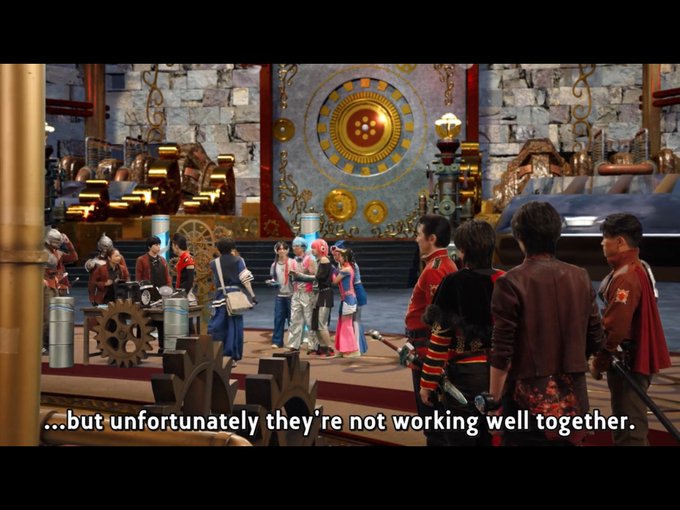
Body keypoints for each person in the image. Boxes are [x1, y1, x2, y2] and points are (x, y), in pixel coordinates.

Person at [489, 201, 603, 446]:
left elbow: (502, 352)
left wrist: (493, 401)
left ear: (519, 237)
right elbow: (596, 337)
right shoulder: (580, 276)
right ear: (556, 234)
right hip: (573, 398)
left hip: (527, 400)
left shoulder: (510, 282)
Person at [419, 220, 504, 446]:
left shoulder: (453, 282)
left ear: (463, 250)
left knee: (461, 437)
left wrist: (427, 382)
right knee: (491, 437)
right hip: (501, 372)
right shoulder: (505, 280)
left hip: (465, 373)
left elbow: (440, 338)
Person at [589, 213, 671, 446]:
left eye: (605, 237)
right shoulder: (638, 267)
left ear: (620, 241)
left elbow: (616, 328)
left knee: (629, 430)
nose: (602, 243)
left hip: (629, 363)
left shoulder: (626, 277)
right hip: (633, 358)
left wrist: (599, 362)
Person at [404, 214, 457, 446]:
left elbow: (439, 322)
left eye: (419, 234)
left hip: (428, 352)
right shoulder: (440, 264)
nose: (416, 239)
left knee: (433, 423)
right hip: (423, 347)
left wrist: (433, 366)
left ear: (432, 238)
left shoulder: (436, 269)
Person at [208, 238, 256, 366]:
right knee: (234, 327)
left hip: (220, 296)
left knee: (218, 326)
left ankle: (217, 354)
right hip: (235, 298)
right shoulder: (239, 260)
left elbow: (215, 280)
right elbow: (245, 280)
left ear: (218, 249)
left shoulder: (214, 263)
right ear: (232, 248)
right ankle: (232, 357)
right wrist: (252, 295)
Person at [43, 228, 78, 352]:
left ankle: (51, 343)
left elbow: (73, 257)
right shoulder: (43, 252)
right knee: (47, 317)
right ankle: (44, 344)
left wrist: (68, 243)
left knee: (56, 316)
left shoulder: (57, 253)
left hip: (56, 286)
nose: (57, 245)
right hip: (46, 286)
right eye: (55, 242)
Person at [331, 240, 368, 354]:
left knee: (356, 321)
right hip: (348, 295)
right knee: (350, 321)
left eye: (338, 254)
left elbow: (339, 279)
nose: (336, 257)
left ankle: (357, 348)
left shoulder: (350, 265)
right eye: (334, 255)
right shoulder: (341, 265)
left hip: (356, 291)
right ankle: (350, 348)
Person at [136, 235, 171, 352]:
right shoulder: (141, 260)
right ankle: (141, 346)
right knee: (142, 321)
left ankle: (162, 346)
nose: (158, 247)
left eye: (159, 244)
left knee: (161, 321)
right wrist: (143, 295)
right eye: (156, 245)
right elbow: (138, 279)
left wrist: (168, 291)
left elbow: (167, 278)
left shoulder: (163, 260)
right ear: (149, 246)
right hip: (146, 296)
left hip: (160, 296)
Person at [285, 237, 316, 351]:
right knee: (294, 319)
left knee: (310, 319)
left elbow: (315, 277)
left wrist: (302, 275)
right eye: (293, 246)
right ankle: (293, 344)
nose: (294, 248)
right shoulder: (292, 261)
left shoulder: (310, 260)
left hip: (307, 293)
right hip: (296, 292)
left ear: (303, 247)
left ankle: (313, 345)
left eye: (296, 246)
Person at [332, 246, 359, 357]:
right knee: (341, 323)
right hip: (346, 299)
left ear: (346, 257)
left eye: (341, 256)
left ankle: (352, 350)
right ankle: (342, 349)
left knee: (346, 325)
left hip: (349, 299)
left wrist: (331, 270)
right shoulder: (347, 268)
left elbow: (334, 281)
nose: (340, 258)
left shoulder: (346, 270)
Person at [268, 241, 295, 348]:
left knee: (292, 320)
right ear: (276, 251)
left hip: (292, 294)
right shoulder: (274, 265)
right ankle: (277, 341)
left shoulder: (292, 262)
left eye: (284, 249)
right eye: (280, 249)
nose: (282, 251)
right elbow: (273, 278)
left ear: (287, 250)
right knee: (278, 318)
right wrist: (272, 282)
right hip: (280, 295)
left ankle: (293, 342)